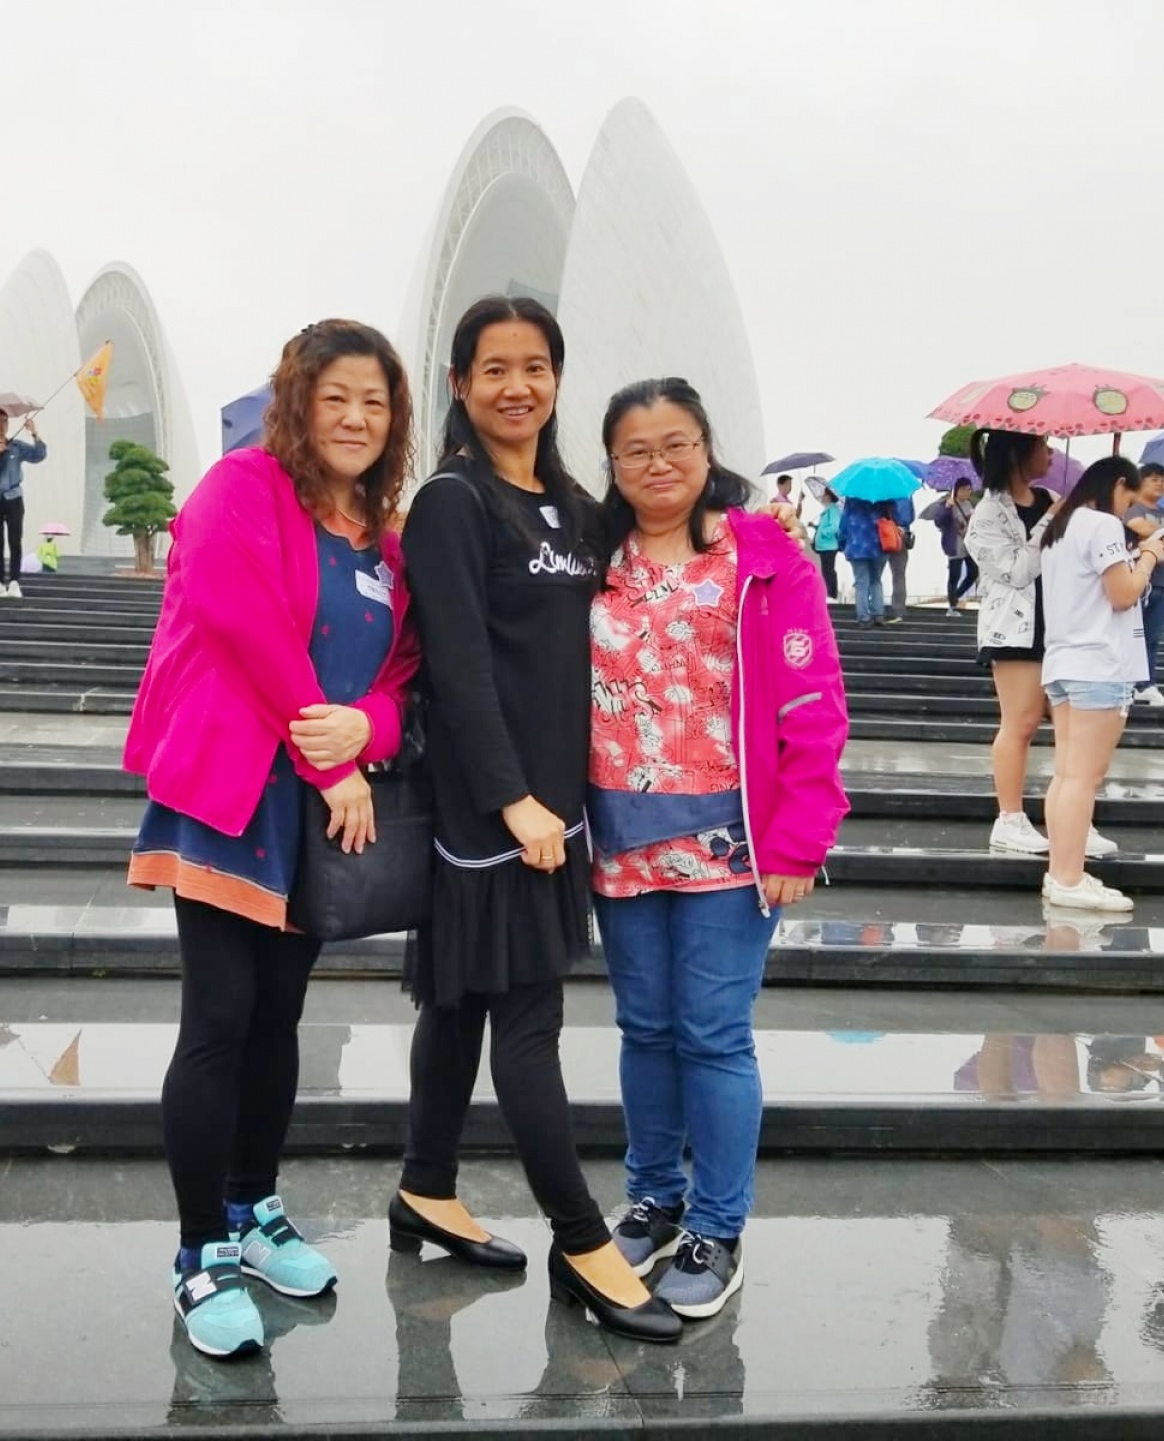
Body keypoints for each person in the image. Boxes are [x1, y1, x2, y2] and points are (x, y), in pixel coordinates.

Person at [124, 319, 421, 1358]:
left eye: (375, 402)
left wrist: (369, 730)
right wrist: (329, 757)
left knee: (281, 1018)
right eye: (337, 397)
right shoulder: (242, 487)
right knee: (220, 1016)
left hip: (317, 813)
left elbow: (403, 674)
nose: (356, 418)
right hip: (233, 788)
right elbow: (236, 618)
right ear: (297, 401)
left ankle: (254, 1208)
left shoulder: (384, 540)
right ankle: (199, 1249)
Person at [392, 295, 680, 1345]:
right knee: (525, 1023)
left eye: (536, 366)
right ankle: (583, 1239)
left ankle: (425, 1186)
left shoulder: (572, 507)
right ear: (460, 383)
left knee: (459, 1002)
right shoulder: (452, 502)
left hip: (561, 802)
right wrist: (512, 797)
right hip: (496, 809)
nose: (518, 386)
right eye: (495, 368)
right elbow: (459, 665)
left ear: (557, 378)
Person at [588, 377, 849, 1320]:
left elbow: (813, 703)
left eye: (677, 444)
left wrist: (800, 838)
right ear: (611, 463)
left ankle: (717, 1225)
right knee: (644, 1028)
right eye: (636, 449)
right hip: (619, 838)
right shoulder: (592, 557)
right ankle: (654, 1197)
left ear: (706, 447)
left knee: (712, 1032)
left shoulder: (765, 557)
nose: (658, 464)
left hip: (731, 845)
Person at [1037, 456, 1164, 910]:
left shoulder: (1060, 527)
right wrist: (1149, 556)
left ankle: (1062, 873)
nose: (1126, 510)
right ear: (1118, 484)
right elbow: (1122, 594)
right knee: (1083, 778)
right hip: (1098, 663)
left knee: (1066, 775)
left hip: (1063, 661)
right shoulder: (1101, 525)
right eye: (1128, 498)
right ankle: (1068, 878)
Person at [963, 430, 1105, 858]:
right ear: (1019, 454)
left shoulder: (1049, 499)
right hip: (1015, 630)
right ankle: (1009, 820)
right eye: (1043, 446)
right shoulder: (988, 513)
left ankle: (1073, 819)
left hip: (1062, 626)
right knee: (1021, 723)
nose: (1051, 454)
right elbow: (1017, 570)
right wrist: (1051, 520)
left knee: (1072, 728)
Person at [0, 409, 46, 598]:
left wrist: (34, 433)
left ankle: (14, 581)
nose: (2, 425)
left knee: (15, 539)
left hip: (14, 497)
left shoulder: (15, 446)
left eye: (5, 421)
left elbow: (39, 455)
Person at [1123, 463, 1164, 706]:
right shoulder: (1133, 509)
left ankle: (1146, 684)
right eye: (1153, 479)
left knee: (1153, 637)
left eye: (1163, 479)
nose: (1160, 483)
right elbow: (1139, 527)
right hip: (1138, 580)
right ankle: (1130, 683)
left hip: (1162, 582)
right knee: (1133, 635)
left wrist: (1154, 539)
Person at [839, 493, 894, 627]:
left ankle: (864, 617)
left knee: (861, 582)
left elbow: (844, 524)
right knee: (876, 580)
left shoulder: (852, 497)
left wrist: (842, 543)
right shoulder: (884, 496)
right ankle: (878, 614)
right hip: (878, 545)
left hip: (857, 546)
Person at [924, 478, 979, 612]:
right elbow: (939, 522)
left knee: (973, 572)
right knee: (954, 575)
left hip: (969, 545)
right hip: (954, 544)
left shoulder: (969, 504)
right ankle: (952, 605)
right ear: (957, 490)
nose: (967, 492)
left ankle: (955, 596)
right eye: (965, 489)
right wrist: (947, 508)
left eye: (969, 489)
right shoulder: (947, 504)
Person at [884, 490, 915, 619]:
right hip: (902, 535)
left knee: (874, 574)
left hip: (884, 533)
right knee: (899, 575)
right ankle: (899, 608)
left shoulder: (883, 492)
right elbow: (911, 516)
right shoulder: (907, 493)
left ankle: (874, 607)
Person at [812, 490, 842, 600]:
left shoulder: (833, 510)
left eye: (823, 495)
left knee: (828, 570)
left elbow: (835, 526)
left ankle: (831, 594)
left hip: (829, 546)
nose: (821, 497)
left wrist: (823, 533)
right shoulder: (828, 510)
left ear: (829, 496)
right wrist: (816, 527)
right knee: (826, 570)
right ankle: (829, 593)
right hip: (824, 546)